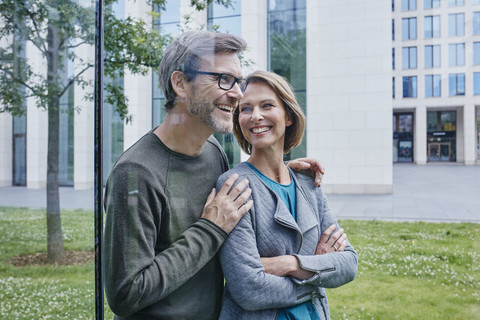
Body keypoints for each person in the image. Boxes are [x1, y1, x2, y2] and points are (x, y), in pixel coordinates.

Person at [103, 31, 324, 320]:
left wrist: (280, 171)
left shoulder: (213, 151)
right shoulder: (134, 173)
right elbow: (126, 294)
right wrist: (210, 229)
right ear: (180, 83)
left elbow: (234, 205)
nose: (238, 94)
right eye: (223, 79)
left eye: (238, 81)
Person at [217, 71, 358, 320]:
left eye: (267, 105)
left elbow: (348, 263)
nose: (256, 116)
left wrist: (292, 264)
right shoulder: (235, 185)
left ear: (289, 116)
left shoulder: (308, 183)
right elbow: (248, 288)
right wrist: (317, 270)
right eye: (246, 108)